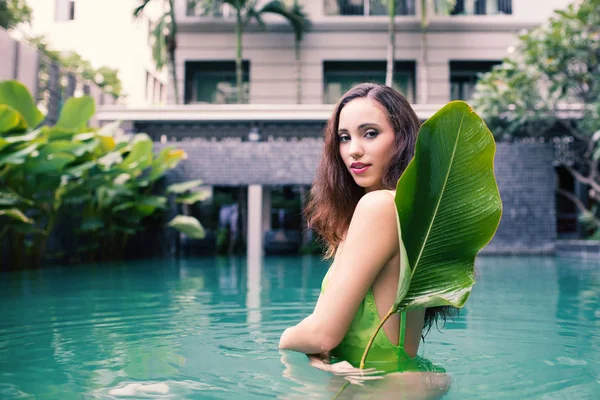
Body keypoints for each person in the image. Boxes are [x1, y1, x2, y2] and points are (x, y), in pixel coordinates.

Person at [279, 83, 453, 396]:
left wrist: (286, 337)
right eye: (344, 137)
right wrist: (322, 361)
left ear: (401, 139)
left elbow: (321, 334)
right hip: (399, 385)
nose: (353, 149)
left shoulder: (379, 206)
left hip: (377, 390)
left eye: (370, 133)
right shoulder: (413, 214)